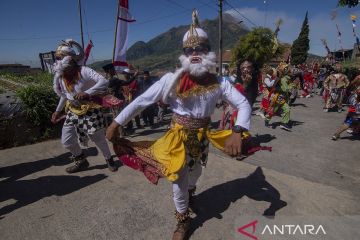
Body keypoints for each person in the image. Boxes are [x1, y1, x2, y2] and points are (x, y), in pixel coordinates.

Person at [105, 10, 253, 240]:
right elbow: (143, 100)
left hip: (202, 138)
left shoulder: (220, 82)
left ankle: (191, 192)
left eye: (200, 49)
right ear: (184, 54)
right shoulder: (169, 80)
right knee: (178, 180)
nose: (195, 53)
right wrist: (116, 123)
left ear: (208, 52)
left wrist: (238, 131)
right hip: (176, 139)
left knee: (196, 173)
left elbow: (243, 104)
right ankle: (182, 221)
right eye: (190, 50)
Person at [51, 41, 118, 173]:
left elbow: (103, 81)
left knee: (97, 138)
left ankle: (109, 159)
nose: (58, 61)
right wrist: (58, 111)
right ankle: (81, 161)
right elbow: (65, 95)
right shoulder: (61, 76)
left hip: (90, 110)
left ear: (70, 59)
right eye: (57, 58)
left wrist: (87, 92)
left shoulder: (84, 71)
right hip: (72, 111)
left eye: (60, 58)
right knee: (67, 140)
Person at [264, 62, 293, 131]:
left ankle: (284, 123)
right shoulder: (281, 79)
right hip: (278, 98)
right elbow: (285, 89)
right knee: (273, 111)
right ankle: (266, 120)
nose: (289, 70)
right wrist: (292, 86)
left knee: (287, 109)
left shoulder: (285, 78)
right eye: (286, 69)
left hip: (282, 98)